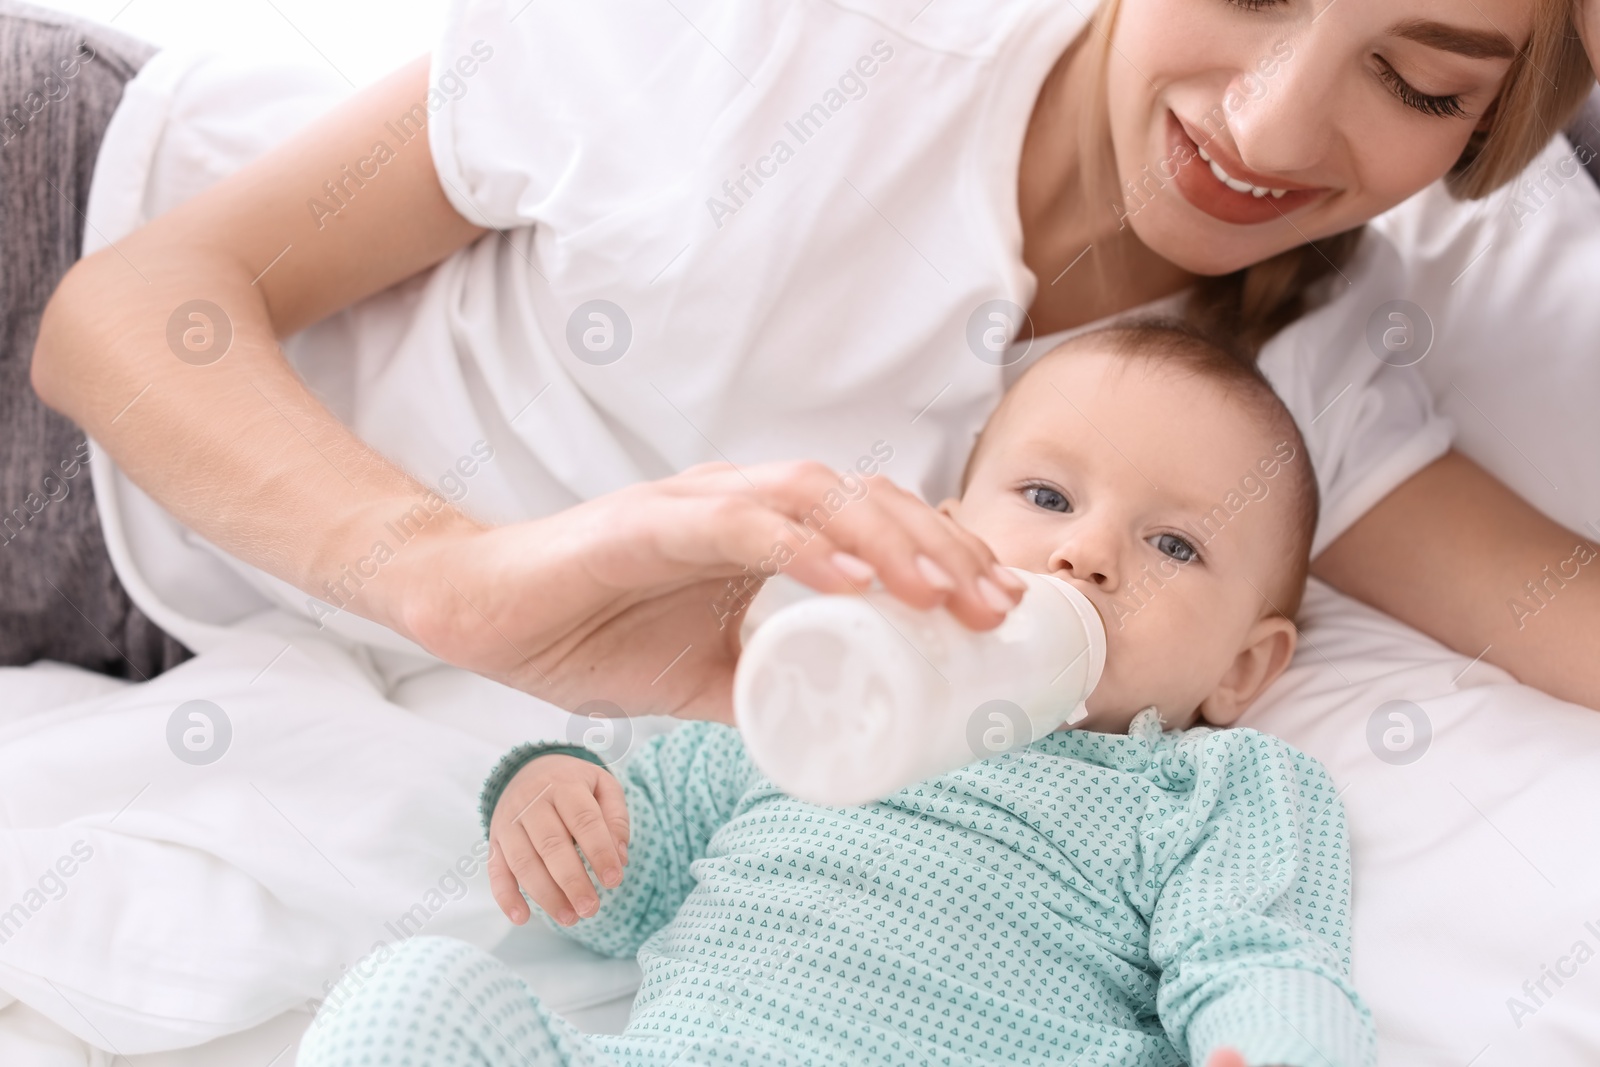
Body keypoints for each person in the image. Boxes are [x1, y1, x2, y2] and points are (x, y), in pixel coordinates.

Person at [5, 0, 1600, 1052]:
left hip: (211, 634)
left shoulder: (1300, 386)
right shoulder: (801, 35)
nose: (1265, 127)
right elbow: (127, 314)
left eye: (1417, 79)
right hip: (66, 250)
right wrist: (461, 580)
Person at [297, 322, 1372, 1067]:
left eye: (1173, 543)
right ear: (944, 530)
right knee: (418, 990)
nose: (1084, 553)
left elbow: (1262, 954)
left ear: (1243, 667)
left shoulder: (1205, 785)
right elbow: (627, 888)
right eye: (1045, 495)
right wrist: (561, 796)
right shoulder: (826, 679)